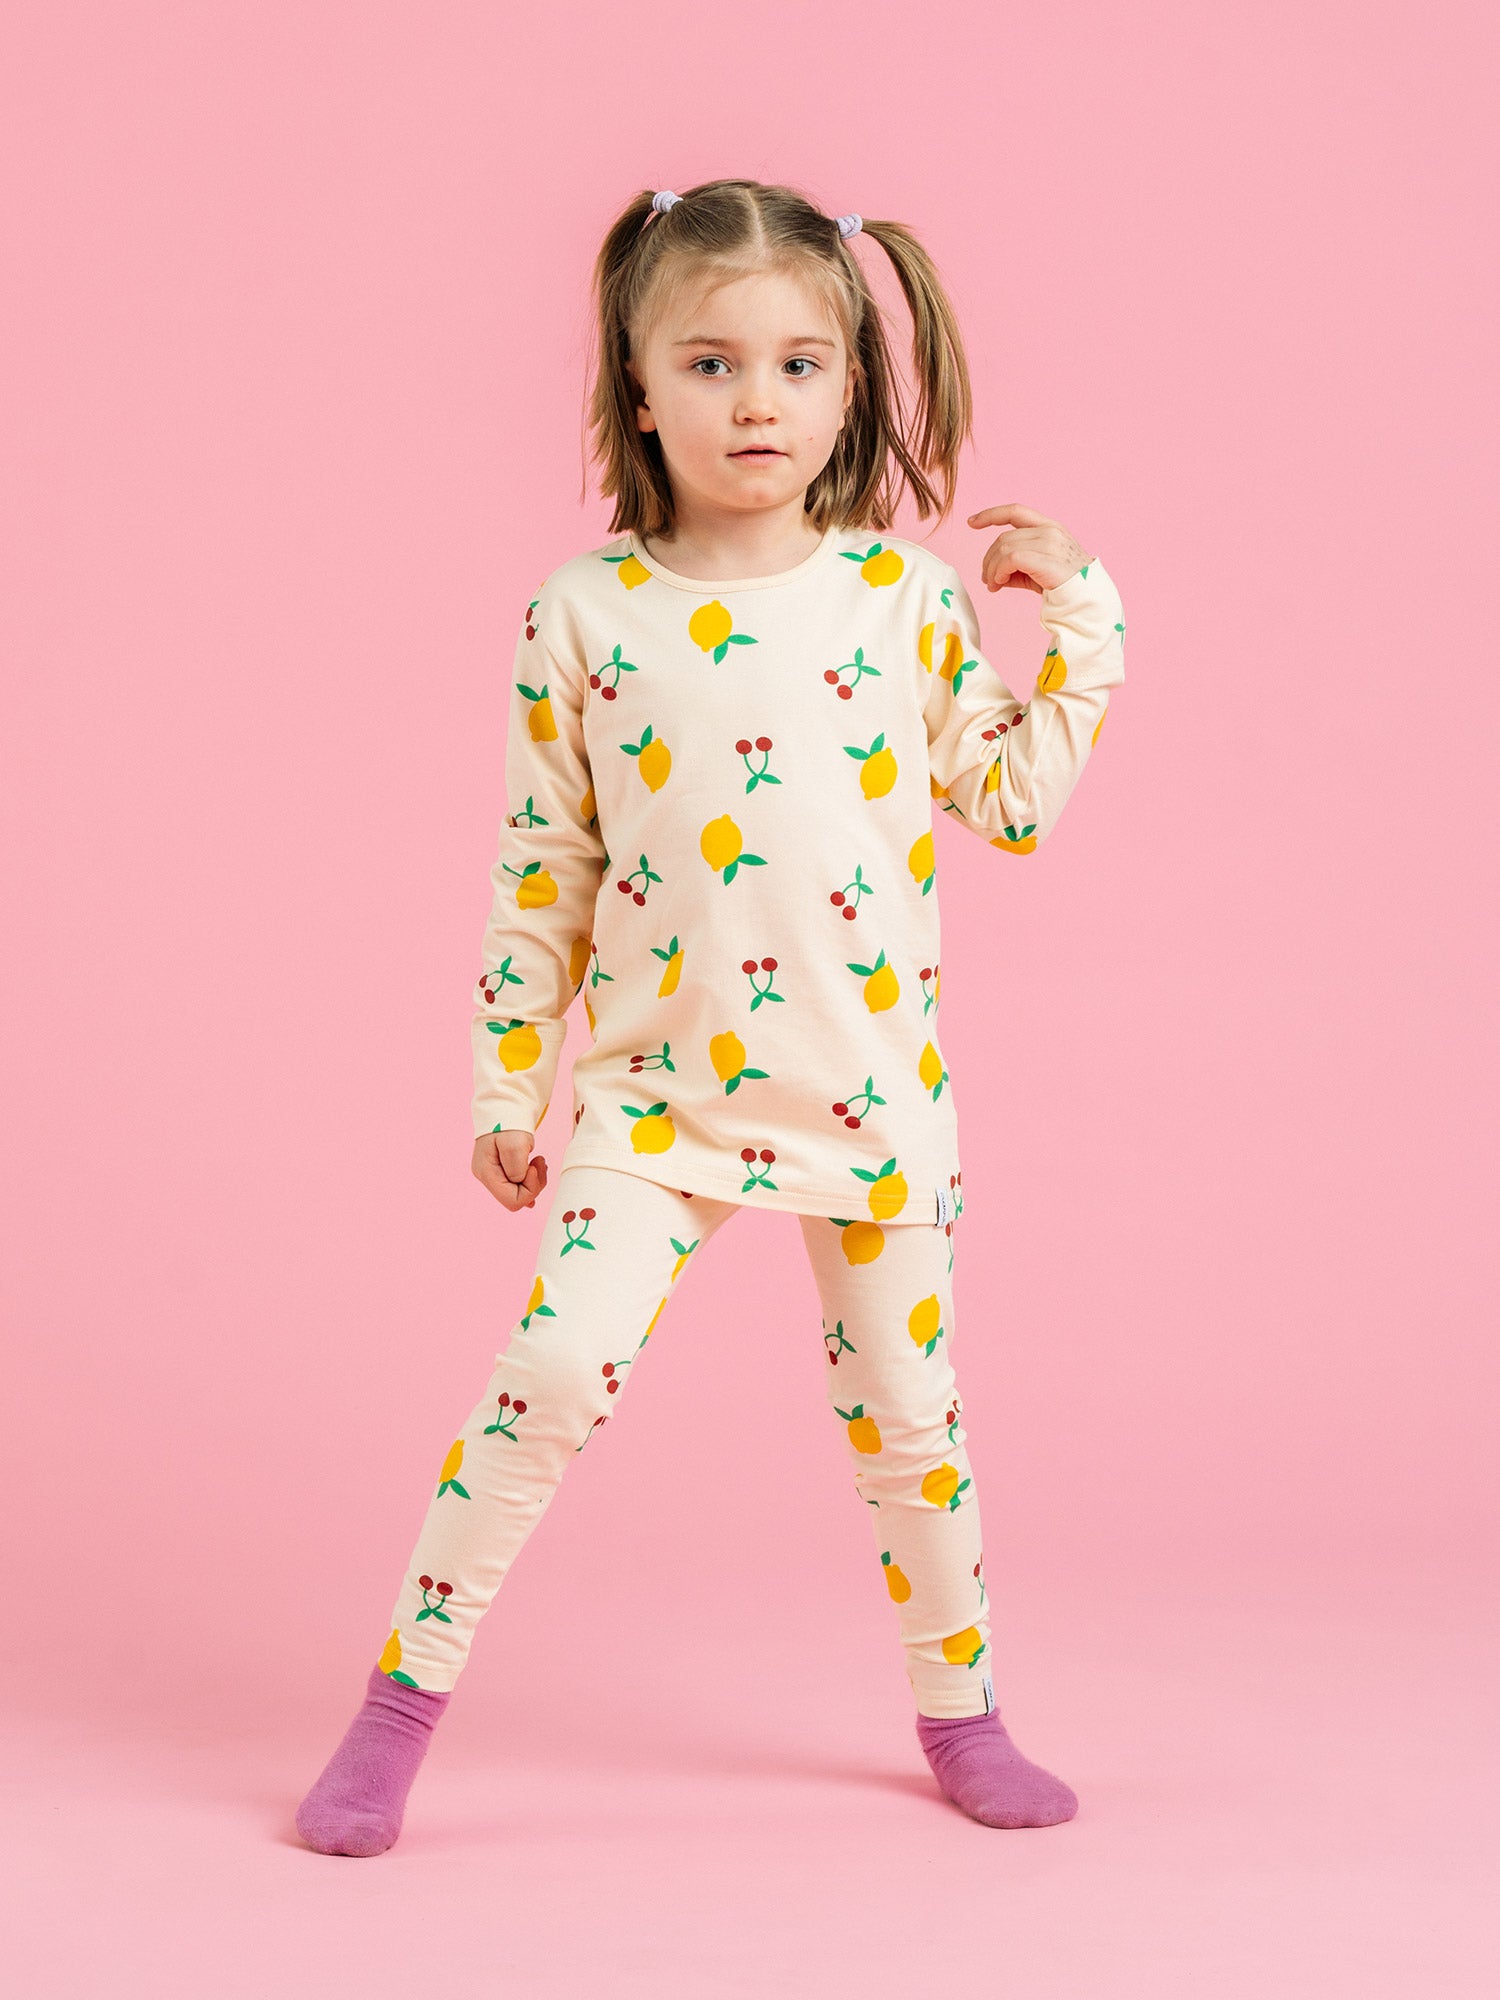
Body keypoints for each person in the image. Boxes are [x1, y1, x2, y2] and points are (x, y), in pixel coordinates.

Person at [295, 178, 1126, 1856]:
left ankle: (963, 1715)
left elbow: (1016, 802)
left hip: (867, 1098)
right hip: (653, 1100)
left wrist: (1085, 616)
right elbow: (545, 868)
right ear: (639, 375)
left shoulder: (903, 602)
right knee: (549, 1372)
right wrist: (506, 1088)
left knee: (912, 1422)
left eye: (801, 365)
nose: (759, 403)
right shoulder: (581, 614)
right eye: (713, 362)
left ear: (852, 384)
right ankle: (394, 1713)